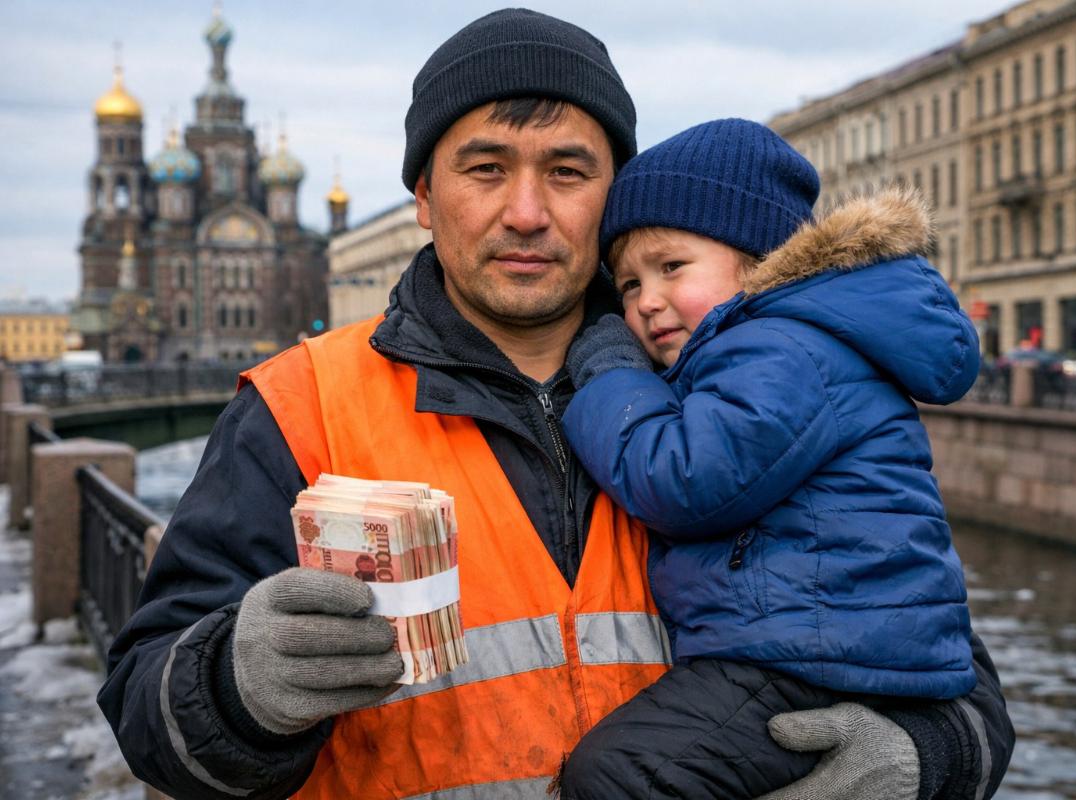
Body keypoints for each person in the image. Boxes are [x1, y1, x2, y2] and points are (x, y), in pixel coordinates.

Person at [98, 9, 1013, 800]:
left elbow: (934, 650)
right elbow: (148, 709)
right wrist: (237, 685)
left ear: (615, 193)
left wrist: (926, 757)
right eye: (485, 168)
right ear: (423, 195)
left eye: (569, 172)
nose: (528, 212)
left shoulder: (729, 378)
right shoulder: (304, 404)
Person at [556, 119, 982, 799]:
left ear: (760, 262)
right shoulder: (788, 343)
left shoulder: (781, 350)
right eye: (628, 285)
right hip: (828, 644)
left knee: (621, 772)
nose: (647, 302)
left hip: (812, 657)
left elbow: (680, 480)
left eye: (671, 267)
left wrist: (607, 371)